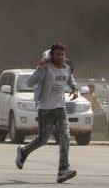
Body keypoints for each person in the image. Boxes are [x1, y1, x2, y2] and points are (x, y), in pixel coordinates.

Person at [15, 43, 79, 183]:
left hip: (60, 108)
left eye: (62, 54)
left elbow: (70, 78)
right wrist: (39, 68)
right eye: (57, 54)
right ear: (51, 55)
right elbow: (30, 83)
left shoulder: (67, 67)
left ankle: (63, 170)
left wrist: (75, 89)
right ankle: (23, 151)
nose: (61, 57)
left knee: (65, 137)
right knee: (43, 139)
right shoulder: (45, 68)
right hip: (45, 110)